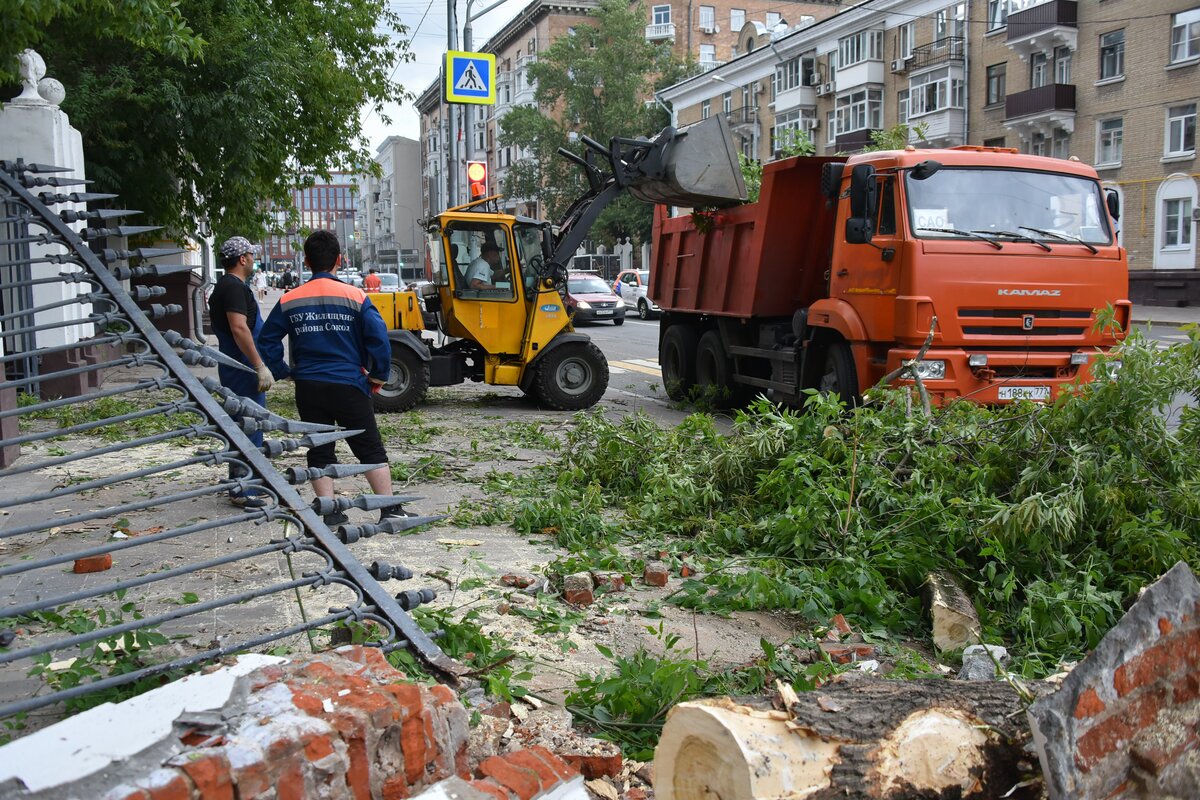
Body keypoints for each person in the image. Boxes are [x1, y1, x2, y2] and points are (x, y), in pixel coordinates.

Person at [258, 230, 400, 527]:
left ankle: (329, 511)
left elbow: (267, 340)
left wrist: (284, 371)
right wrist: (379, 375)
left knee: (320, 447)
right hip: (349, 383)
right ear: (339, 259)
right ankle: (389, 511)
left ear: (307, 261)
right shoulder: (356, 296)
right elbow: (379, 340)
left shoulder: (290, 299)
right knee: (368, 446)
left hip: (309, 385)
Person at [208, 236, 275, 508]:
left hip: (237, 364)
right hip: (242, 366)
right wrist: (259, 365)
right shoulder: (234, 288)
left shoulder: (228, 286)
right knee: (248, 424)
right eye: (251, 254)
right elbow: (239, 328)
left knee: (246, 423)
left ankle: (245, 480)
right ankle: (242, 489)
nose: (254, 259)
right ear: (242, 259)